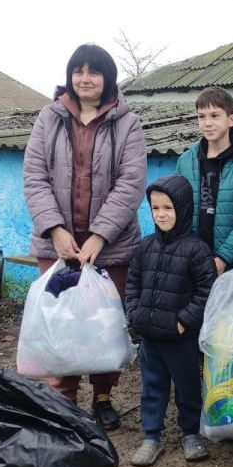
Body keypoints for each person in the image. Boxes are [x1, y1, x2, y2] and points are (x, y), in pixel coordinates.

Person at [22, 43, 147, 430]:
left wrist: (99, 237)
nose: (85, 78)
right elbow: (35, 176)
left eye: (94, 72)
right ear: (69, 76)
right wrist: (56, 230)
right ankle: (65, 399)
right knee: (60, 322)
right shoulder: (49, 117)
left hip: (110, 246)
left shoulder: (128, 123)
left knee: (104, 323)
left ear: (108, 77)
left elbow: (131, 182)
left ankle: (104, 397)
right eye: (78, 71)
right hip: (56, 245)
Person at [125, 175, 216, 467]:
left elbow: (206, 291)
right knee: (152, 386)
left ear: (183, 209)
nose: (161, 214)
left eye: (168, 208)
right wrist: (135, 315)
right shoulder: (145, 247)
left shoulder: (196, 249)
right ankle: (152, 437)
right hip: (151, 337)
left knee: (188, 387)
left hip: (181, 338)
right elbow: (132, 284)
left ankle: (190, 433)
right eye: (155, 208)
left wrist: (184, 322)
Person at [176, 86, 233, 275]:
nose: (207, 123)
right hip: (191, 263)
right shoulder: (185, 161)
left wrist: (224, 257)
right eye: (201, 116)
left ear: (231, 119)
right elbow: (178, 211)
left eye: (215, 116)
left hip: (232, 265)